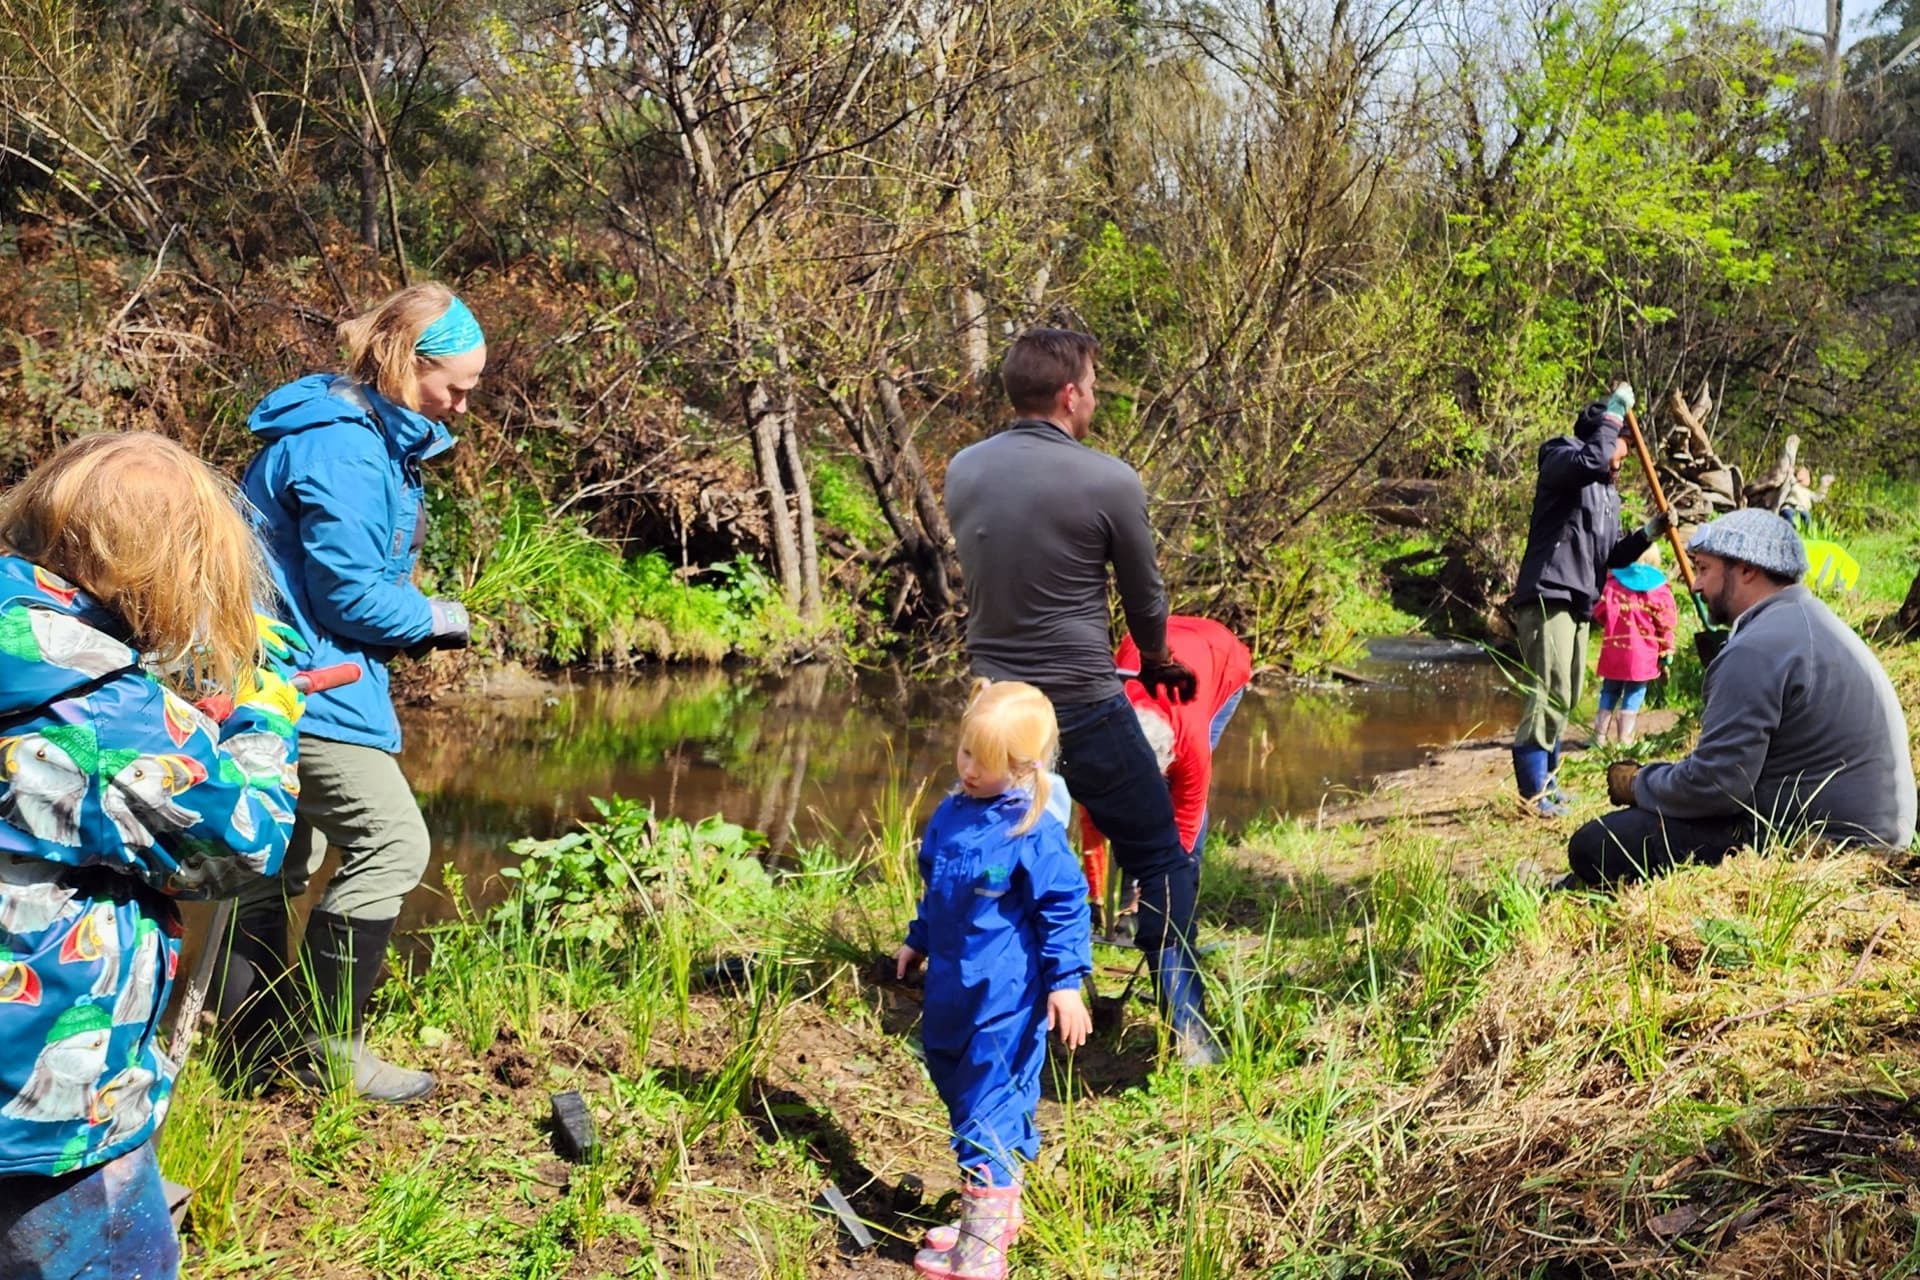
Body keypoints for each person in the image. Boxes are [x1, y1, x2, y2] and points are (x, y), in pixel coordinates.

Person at [0, 433, 303, 1278]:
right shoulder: (112, 720)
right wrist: (262, 726)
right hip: (45, 1110)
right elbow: (241, 844)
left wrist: (175, 720)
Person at [215, 283, 482, 1103]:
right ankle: (330, 1050)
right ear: (410, 363)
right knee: (393, 843)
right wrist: (441, 616)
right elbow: (350, 597)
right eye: (456, 387)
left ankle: (248, 1059)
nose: (462, 407)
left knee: (273, 864)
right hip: (309, 682)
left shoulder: (343, 430)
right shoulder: (348, 449)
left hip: (266, 676)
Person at [943, 328, 1218, 1065]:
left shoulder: (963, 469)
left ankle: (981, 995)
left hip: (996, 706)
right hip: (1083, 703)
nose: (1095, 396)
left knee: (986, 850)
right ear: (1071, 394)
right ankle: (1185, 1024)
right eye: (1093, 384)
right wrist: (1157, 659)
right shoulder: (1108, 480)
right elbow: (1144, 598)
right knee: (1161, 856)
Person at [1566, 509, 1915, 887]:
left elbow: (1715, 787)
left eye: (1703, 569)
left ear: (1747, 570)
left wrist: (1638, 784)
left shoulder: (1757, 648)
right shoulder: (1809, 621)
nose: (1695, 586)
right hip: (1871, 830)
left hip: (1827, 845)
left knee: (1596, 842)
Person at [894, 682, 1091, 1280]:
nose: (969, 769)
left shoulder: (1031, 830)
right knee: (960, 1089)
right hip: (955, 989)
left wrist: (1065, 983)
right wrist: (918, 937)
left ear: (1025, 768)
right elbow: (940, 889)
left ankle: (981, 1255)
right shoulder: (954, 813)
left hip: (1005, 999)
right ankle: (994, 1215)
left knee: (990, 1108)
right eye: (964, 753)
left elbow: (1064, 906)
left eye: (987, 762)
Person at [1509, 382, 1667, 816]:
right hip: (1549, 593)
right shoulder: (1561, 456)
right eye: (1622, 445)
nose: (1625, 456)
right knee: (1549, 689)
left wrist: (1648, 533)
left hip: (1579, 598)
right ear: (1603, 433)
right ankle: (1533, 795)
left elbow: (1611, 555)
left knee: (1567, 692)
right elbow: (1592, 457)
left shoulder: (1606, 492)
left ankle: (1549, 786)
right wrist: (1616, 410)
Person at [1081, 616, 1253, 938]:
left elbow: (1187, 822)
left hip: (1220, 655)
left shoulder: (1191, 744)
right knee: (1123, 808)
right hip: (1153, 639)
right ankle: (1125, 897)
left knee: (1177, 805)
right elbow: (1092, 822)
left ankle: (1176, 904)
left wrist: (1164, 895)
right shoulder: (1101, 731)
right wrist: (1097, 897)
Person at [1590, 545, 1678, 746]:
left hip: (1614, 648)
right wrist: (1667, 648)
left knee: (1609, 691)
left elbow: (1599, 611)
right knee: (1634, 692)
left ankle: (1599, 736)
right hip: (1643, 653)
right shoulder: (1658, 588)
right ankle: (1624, 738)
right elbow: (1666, 621)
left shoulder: (1613, 582)